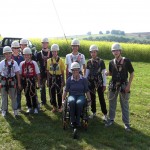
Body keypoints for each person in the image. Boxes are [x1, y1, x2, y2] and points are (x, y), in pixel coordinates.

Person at [105, 43, 134, 131]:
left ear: (120, 51)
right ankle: (111, 119)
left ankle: (126, 123)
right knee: (112, 103)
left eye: (117, 50)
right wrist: (107, 73)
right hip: (113, 84)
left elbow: (132, 73)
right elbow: (111, 73)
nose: (115, 52)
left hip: (124, 85)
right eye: (114, 51)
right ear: (112, 52)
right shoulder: (111, 62)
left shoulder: (126, 61)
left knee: (124, 104)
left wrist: (128, 85)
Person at [62, 62, 91, 127]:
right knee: (71, 101)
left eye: (77, 70)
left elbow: (87, 90)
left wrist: (89, 100)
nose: (75, 71)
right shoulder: (69, 80)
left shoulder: (83, 80)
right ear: (71, 71)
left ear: (79, 70)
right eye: (74, 70)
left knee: (79, 103)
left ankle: (78, 121)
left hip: (81, 95)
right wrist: (63, 99)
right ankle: (72, 121)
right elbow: (66, 90)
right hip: (72, 95)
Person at [85, 45, 108, 121]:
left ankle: (105, 114)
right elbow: (87, 73)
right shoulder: (88, 62)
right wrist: (85, 82)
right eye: (92, 52)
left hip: (99, 82)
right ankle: (93, 112)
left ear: (97, 52)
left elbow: (104, 73)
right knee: (92, 98)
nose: (93, 54)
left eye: (94, 52)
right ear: (90, 53)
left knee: (101, 98)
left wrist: (104, 84)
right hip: (90, 82)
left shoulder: (101, 62)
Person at [0, 46, 21, 117]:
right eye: (6, 54)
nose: (7, 55)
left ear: (11, 54)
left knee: (13, 96)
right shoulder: (2, 63)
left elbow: (17, 73)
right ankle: (4, 110)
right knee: (3, 95)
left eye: (9, 53)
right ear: (4, 54)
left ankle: (15, 110)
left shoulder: (14, 63)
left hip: (12, 81)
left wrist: (19, 83)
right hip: (3, 81)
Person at [19, 47, 40, 114]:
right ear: (23, 55)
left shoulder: (34, 63)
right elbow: (20, 74)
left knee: (33, 94)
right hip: (25, 81)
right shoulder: (22, 64)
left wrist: (38, 82)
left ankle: (35, 107)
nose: (26, 56)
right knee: (26, 94)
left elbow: (38, 73)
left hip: (32, 80)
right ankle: (29, 107)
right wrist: (20, 83)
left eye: (28, 55)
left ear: (30, 55)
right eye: (25, 55)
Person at [47, 44, 65, 112]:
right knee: (52, 92)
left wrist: (63, 80)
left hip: (58, 78)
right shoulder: (49, 61)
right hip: (52, 78)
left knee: (59, 92)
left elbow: (62, 71)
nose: (54, 53)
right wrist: (48, 80)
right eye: (53, 51)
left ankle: (60, 106)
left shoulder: (61, 60)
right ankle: (54, 106)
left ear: (57, 52)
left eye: (55, 51)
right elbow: (48, 71)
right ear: (51, 52)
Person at [36, 38, 52, 105]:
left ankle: (52, 101)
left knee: (51, 87)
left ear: (48, 44)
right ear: (41, 43)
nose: (44, 44)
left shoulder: (51, 53)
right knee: (42, 88)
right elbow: (36, 64)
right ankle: (43, 101)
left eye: (46, 43)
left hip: (50, 72)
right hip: (42, 72)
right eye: (43, 43)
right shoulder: (39, 54)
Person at [11, 41, 24, 112]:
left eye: (17, 48)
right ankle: (13, 107)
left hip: (20, 78)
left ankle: (18, 107)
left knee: (18, 93)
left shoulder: (22, 58)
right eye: (14, 48)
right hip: (11, 78)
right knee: (12, 93)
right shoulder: (9, 57)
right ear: (12, 49)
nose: (16, 49)